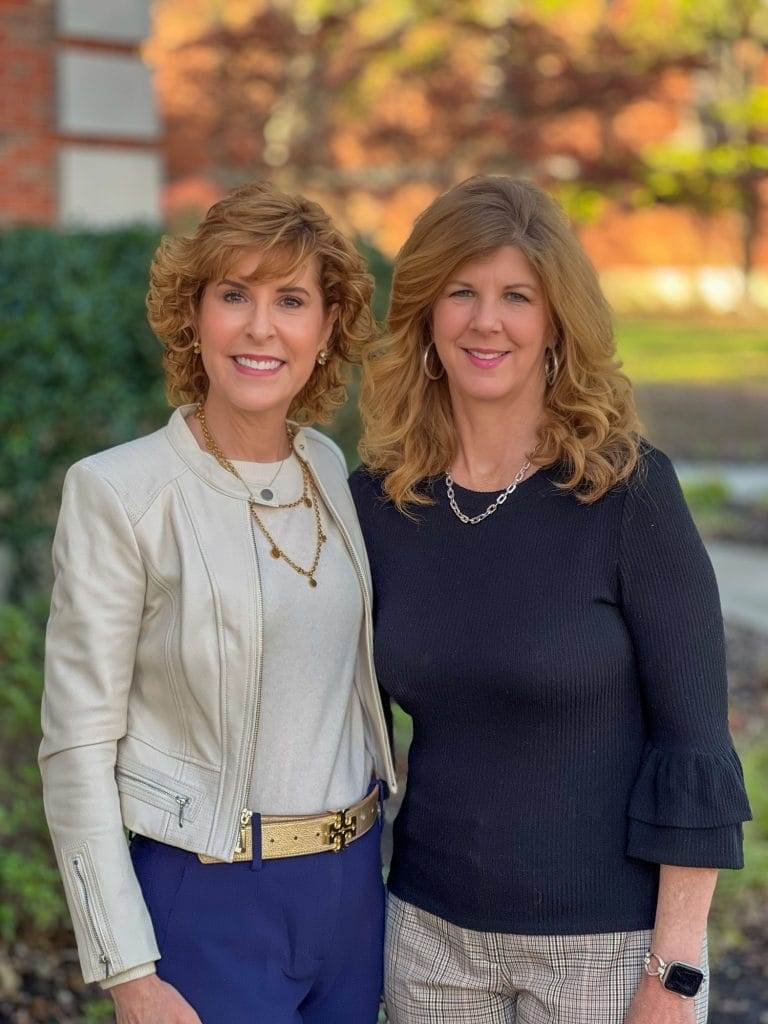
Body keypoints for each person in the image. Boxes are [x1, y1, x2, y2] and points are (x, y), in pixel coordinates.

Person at [350, 175, 751, 1024]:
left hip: (605, 953)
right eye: (460, 291)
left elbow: (695, 743)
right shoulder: (383, 503)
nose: (485, 321)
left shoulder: (627, 494)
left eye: (515, 296)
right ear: (426, 315)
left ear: (555, 321)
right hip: (428, 940)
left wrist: (672, 975)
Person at [39, 180, 396, 1024]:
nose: (260, 327)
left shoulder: (333, 479)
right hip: (209, 904)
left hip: (354, 893)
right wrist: (129, 969)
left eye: (291, 300)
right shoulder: (120, 493)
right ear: (193, 316)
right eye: (233, 294)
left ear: (327, 329)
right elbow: (77, 744)